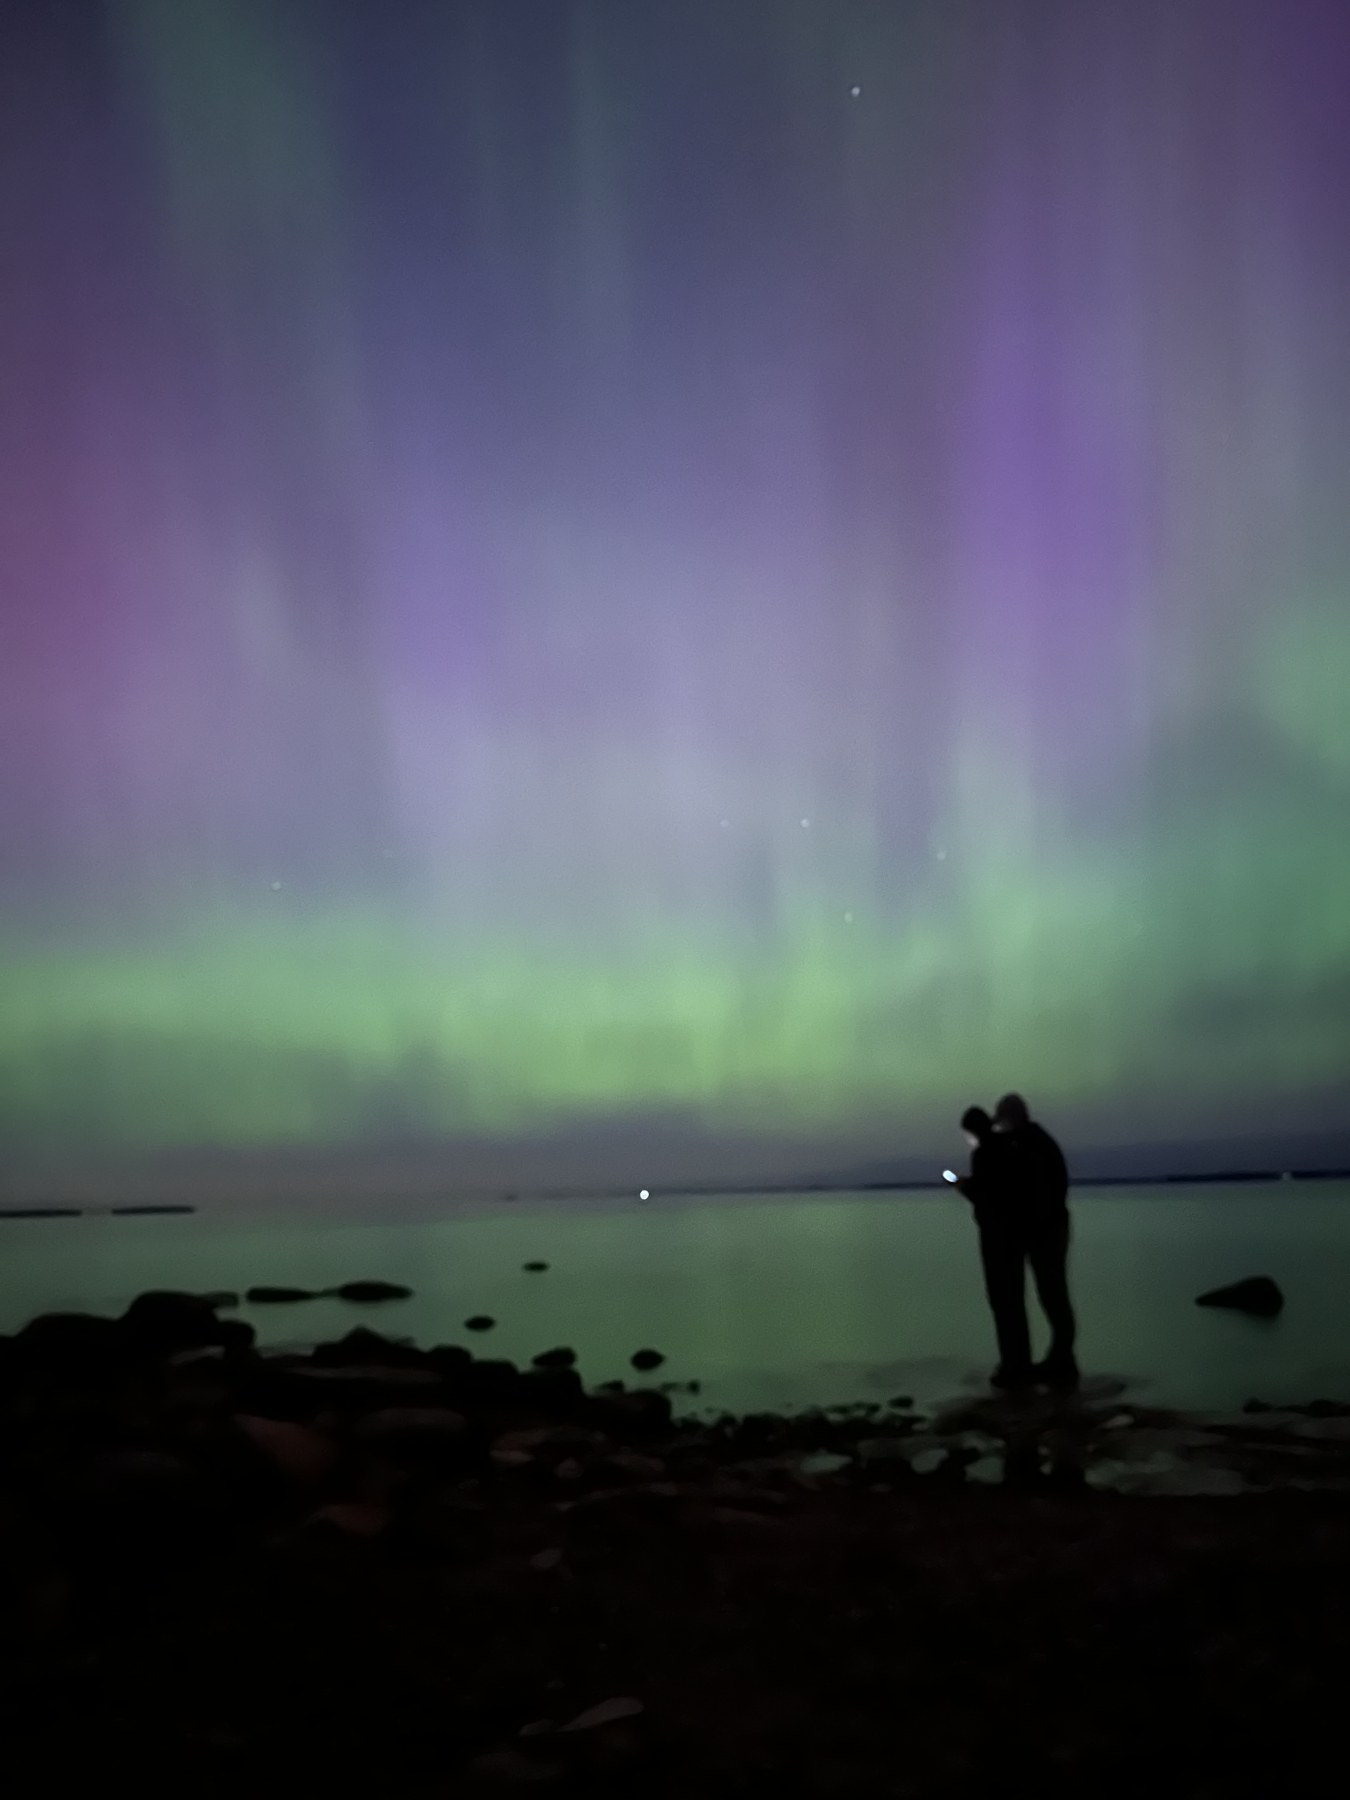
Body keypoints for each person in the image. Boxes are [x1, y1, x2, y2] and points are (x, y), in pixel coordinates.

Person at [991, 1092, 1078, 1390]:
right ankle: (1061, 1359)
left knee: (1053, 1295)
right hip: (1045, 1229)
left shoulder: (1034, 1145)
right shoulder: (1031, 1142)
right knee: (1052, 1295)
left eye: (1003, 1121)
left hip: (1048, 1232)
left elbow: (1041, 1191)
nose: (1001, 1128)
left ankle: (1062, 1360)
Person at [952, 1104, 1036, 1389]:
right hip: (1015, 1234)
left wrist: (963, 1186)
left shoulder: (984, 1154)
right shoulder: (1008, 1149)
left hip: (996, 1237)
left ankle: (1012, 1367)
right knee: (1015, 1301)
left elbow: (984, 1195)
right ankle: (1021, 1363)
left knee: (1003, 1302)